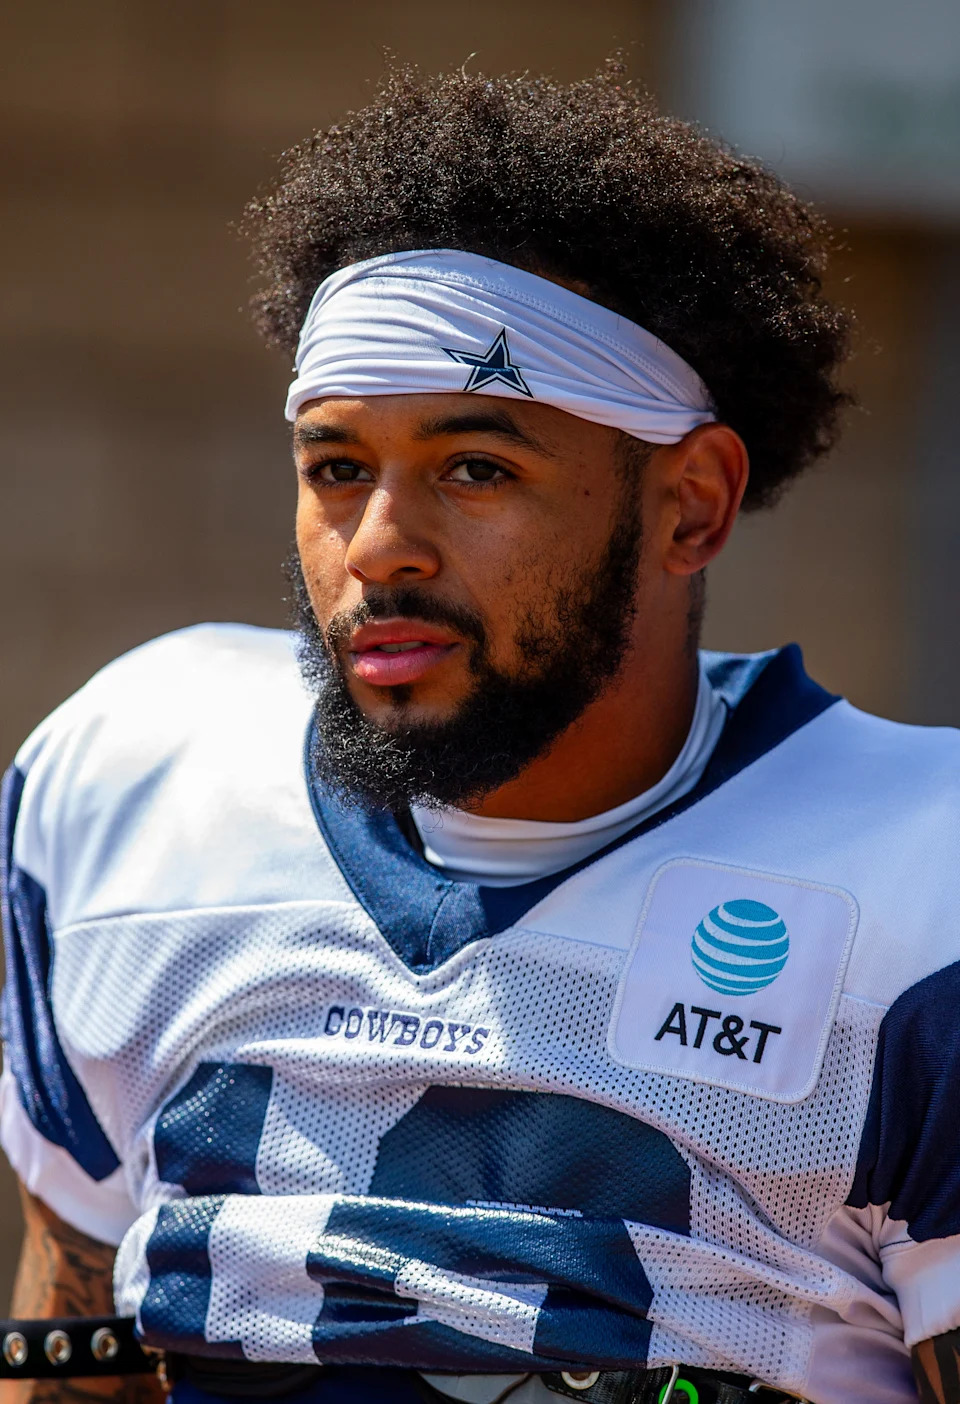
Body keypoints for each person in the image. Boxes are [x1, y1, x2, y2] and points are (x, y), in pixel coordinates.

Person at [2, 59, 958, 1404]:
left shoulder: (920, 884)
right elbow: (74, 1348)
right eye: (338, 467)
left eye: (476, 467)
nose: (378, 547)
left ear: (690, 505)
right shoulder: (134, 781)